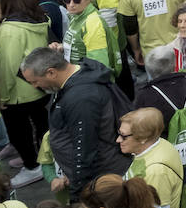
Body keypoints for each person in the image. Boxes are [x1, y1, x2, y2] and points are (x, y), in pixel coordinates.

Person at [20, 46, 129, 200]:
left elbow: (84, 148)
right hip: (96, 173)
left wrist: (78, 194)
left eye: (35, 81)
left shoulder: (82, 98)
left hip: (100, 179)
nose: (35, 87)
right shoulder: (73, 80)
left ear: (51, 72)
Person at [0, 0, 50, 187]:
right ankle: (46, 160)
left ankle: (31, 166)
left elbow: (7, 65)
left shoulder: (10, 29)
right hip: (39, 84)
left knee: (19, 131)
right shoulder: (40, 18)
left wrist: (3, 96)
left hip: (18, 92)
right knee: (41, 124)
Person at [117, 108, 186, 208]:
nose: (118, 140)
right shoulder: (158, 143)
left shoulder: (156, 172)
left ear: (144, 138)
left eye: (123, 136)